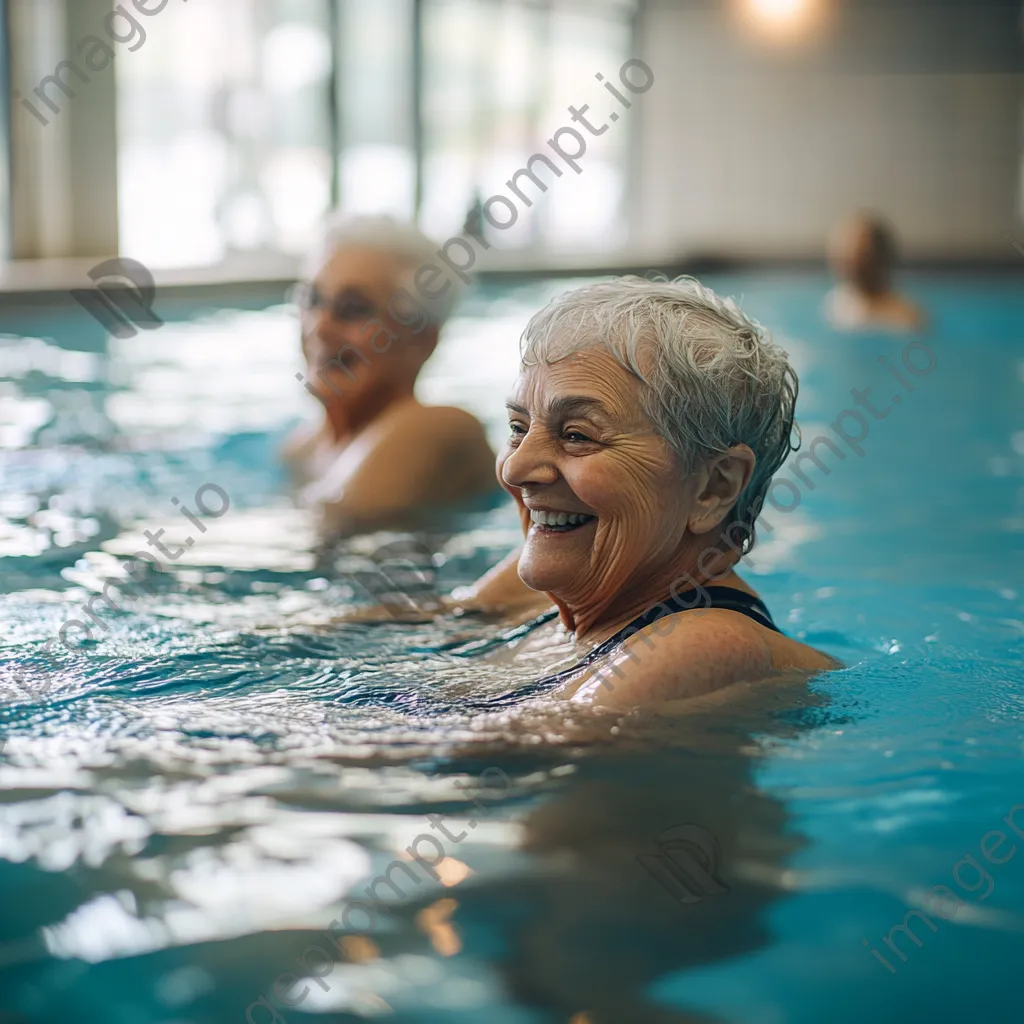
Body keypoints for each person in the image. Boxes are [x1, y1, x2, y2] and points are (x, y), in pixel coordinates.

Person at [436, 276, 838, 709]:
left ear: (713, 487)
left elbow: (432, 754)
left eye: (576, 435)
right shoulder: (560, 581)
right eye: (518, 428)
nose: (515, 469)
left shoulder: (700, 643)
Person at [283, 214, 498, 537]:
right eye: (312, 300)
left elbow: (336, 528)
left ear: (421, 340)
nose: (320, 327)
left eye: (354, 309)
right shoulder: (302, 448)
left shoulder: (437, 427)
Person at [824, 213, 926, 332]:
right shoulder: (836, 302)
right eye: (843, 250)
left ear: (879, 258)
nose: (846, 258)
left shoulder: (903, 317)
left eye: (858, 252)